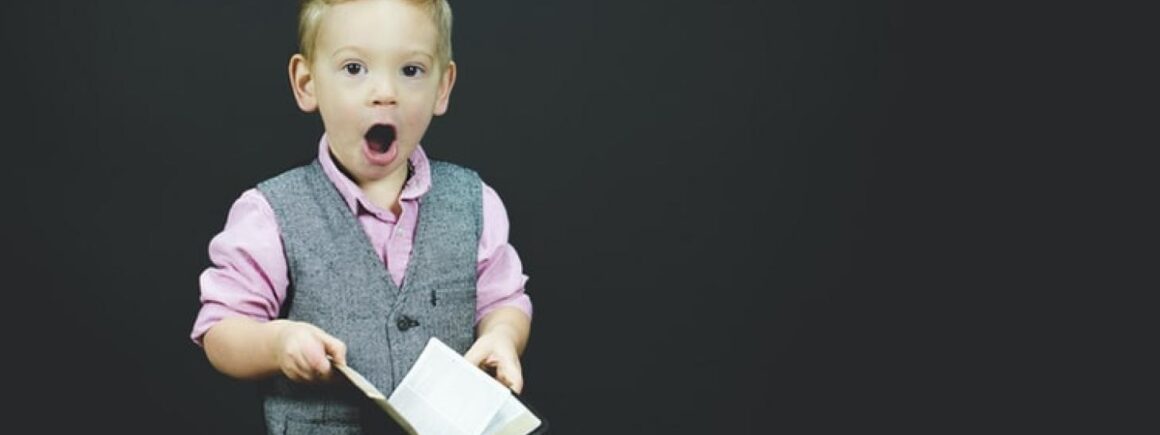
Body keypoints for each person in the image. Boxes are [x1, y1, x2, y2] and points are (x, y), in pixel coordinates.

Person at [189, 0, 533, 432]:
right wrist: (276, 343)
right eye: (354, 68)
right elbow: (221, 329)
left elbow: (504, 300)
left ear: (442, 88)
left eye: (411, 70)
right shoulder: (270, 213)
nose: (385, 92)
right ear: (307, 83)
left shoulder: (474, 202)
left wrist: (502, 335)